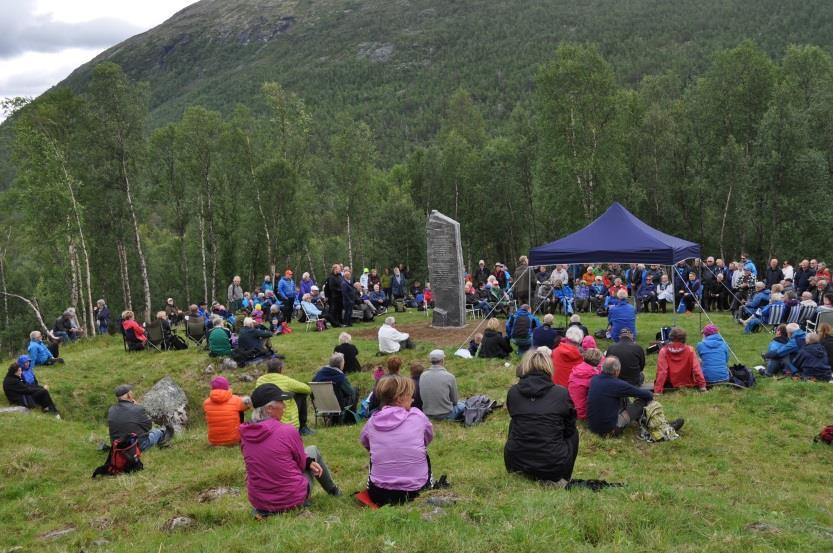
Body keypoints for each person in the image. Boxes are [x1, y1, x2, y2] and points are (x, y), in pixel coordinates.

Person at [240, 384, 341, 516]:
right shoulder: (287, 430)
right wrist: (309, 462)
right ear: (269, 409)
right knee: (312, 450)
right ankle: (334, 491)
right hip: (292, 499)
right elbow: (301, 463)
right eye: (281, 402)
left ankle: (267, 507)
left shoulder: (244, 434)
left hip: (260, 504)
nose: (284, 406)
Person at [504, 349, 579, 484]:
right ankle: (564, 477)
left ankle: (523, 464)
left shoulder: (513, 392)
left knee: (515, 423)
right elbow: (570, 428)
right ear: (549, 367)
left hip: (516, 463)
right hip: (553, 467)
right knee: (574, 434)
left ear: (525, 366)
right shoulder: (561, 393)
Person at [360, 375, 434, 506]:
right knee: (423, 451)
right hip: (416, 492)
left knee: (374, 455)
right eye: (410, 395)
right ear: (399, 398)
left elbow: (367, 444)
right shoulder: (418, 416)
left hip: (379, 494)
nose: (413, 399)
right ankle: (428, 483)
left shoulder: (372, 422)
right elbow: (427, 438)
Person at [587, 357, 683, 437]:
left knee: (623, 398)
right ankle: (661, 426)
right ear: (616, 371)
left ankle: (647, 421)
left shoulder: (594, 379)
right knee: (641, 402)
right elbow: (647, 395)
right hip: (609, 430)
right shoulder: (617, 385)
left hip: (592, 426)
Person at [256, 358, 315, 435]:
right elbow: (307, 389)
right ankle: (302, 427)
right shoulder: (286, 380)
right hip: (284, 420)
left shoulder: (260, 380)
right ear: (280, 368)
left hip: (264, 417)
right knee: (302, 393)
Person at [108, 384, 173, 450]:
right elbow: (148, 427)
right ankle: (163, 439)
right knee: (159, 432)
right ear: (129, 395)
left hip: (117, 447)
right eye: (131, 391)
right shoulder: (137, 409)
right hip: (136, 446)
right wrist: (137, 406)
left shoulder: (111, 410)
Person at [654, 327, 707, 393]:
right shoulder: (690, 350)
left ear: (670, 337)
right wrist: (702, 386)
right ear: (684, 338)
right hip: (687, 384)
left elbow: (662, 371)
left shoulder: (664, 351)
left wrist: (658, 390)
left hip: (670, 385)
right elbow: (697, 369)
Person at [203, 376, 251, 446]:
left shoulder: (206, 403)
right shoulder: (236, 399)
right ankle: (239, 433)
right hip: (234, 440)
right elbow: (247, 406)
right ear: (227, 387)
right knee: (240, 410)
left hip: (214, 441)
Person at [419, 350, 465, 421]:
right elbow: (455, 401)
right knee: (465, 404)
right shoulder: (449, 376)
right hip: (446, 414)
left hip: (427, 414)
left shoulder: (423, 375)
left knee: (462, 403)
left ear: (431, 361)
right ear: (442, 360)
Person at [567, 348, 603, 420]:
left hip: (569, 407)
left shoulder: (576, 369)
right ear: (598, 361)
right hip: (582, 412)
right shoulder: (594, 376)